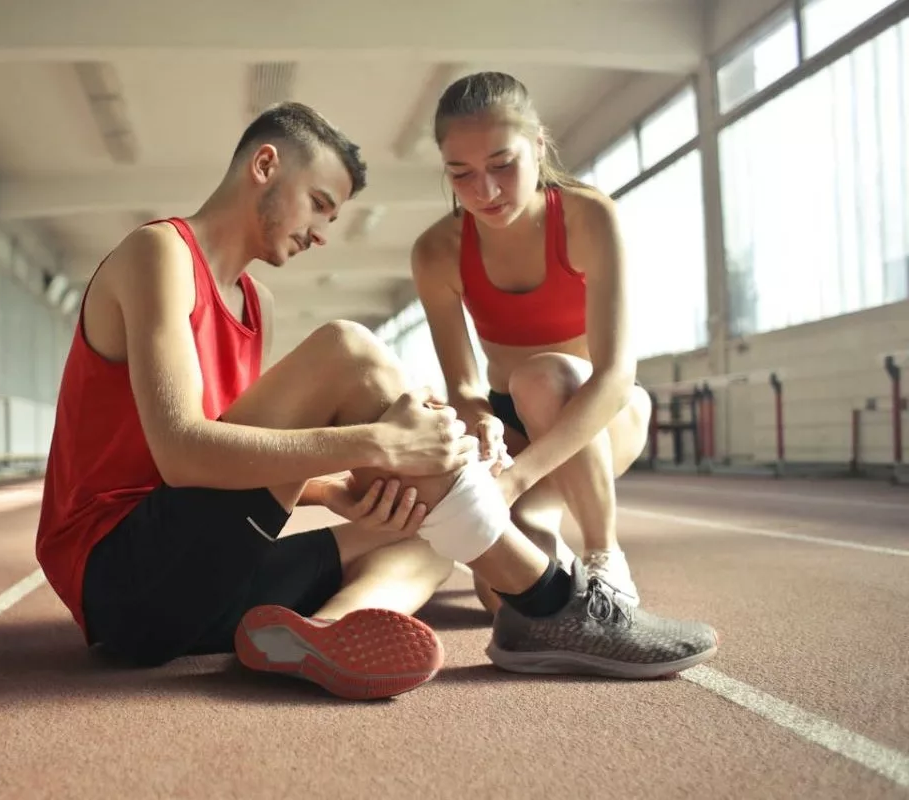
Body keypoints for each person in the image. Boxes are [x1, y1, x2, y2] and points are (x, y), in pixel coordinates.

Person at [35, 101, 718, 703]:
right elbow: (183, 455)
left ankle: (326, 632)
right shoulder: (159, 254)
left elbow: (232, 465)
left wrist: (337, 490)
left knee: (426, 528)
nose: (323, 233)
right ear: (266, 166)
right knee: (346, 349)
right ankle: (547, 599)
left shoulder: (256, 304)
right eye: (320, 205)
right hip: (123, 582)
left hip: (196, 594)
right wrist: (377, 445)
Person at [411, 71, 652, 611]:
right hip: (514, 425)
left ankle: (603, 553)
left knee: (544, 376)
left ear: (538, 146)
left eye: (502, 165)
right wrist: (481, 421)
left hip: (602, 413)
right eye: (461, 174)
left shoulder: (591, 217)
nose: (485, 191)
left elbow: (615, 377)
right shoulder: (436, 252)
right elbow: (466, 384)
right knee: (505, 599)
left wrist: (516, 480)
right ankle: (545, 527)